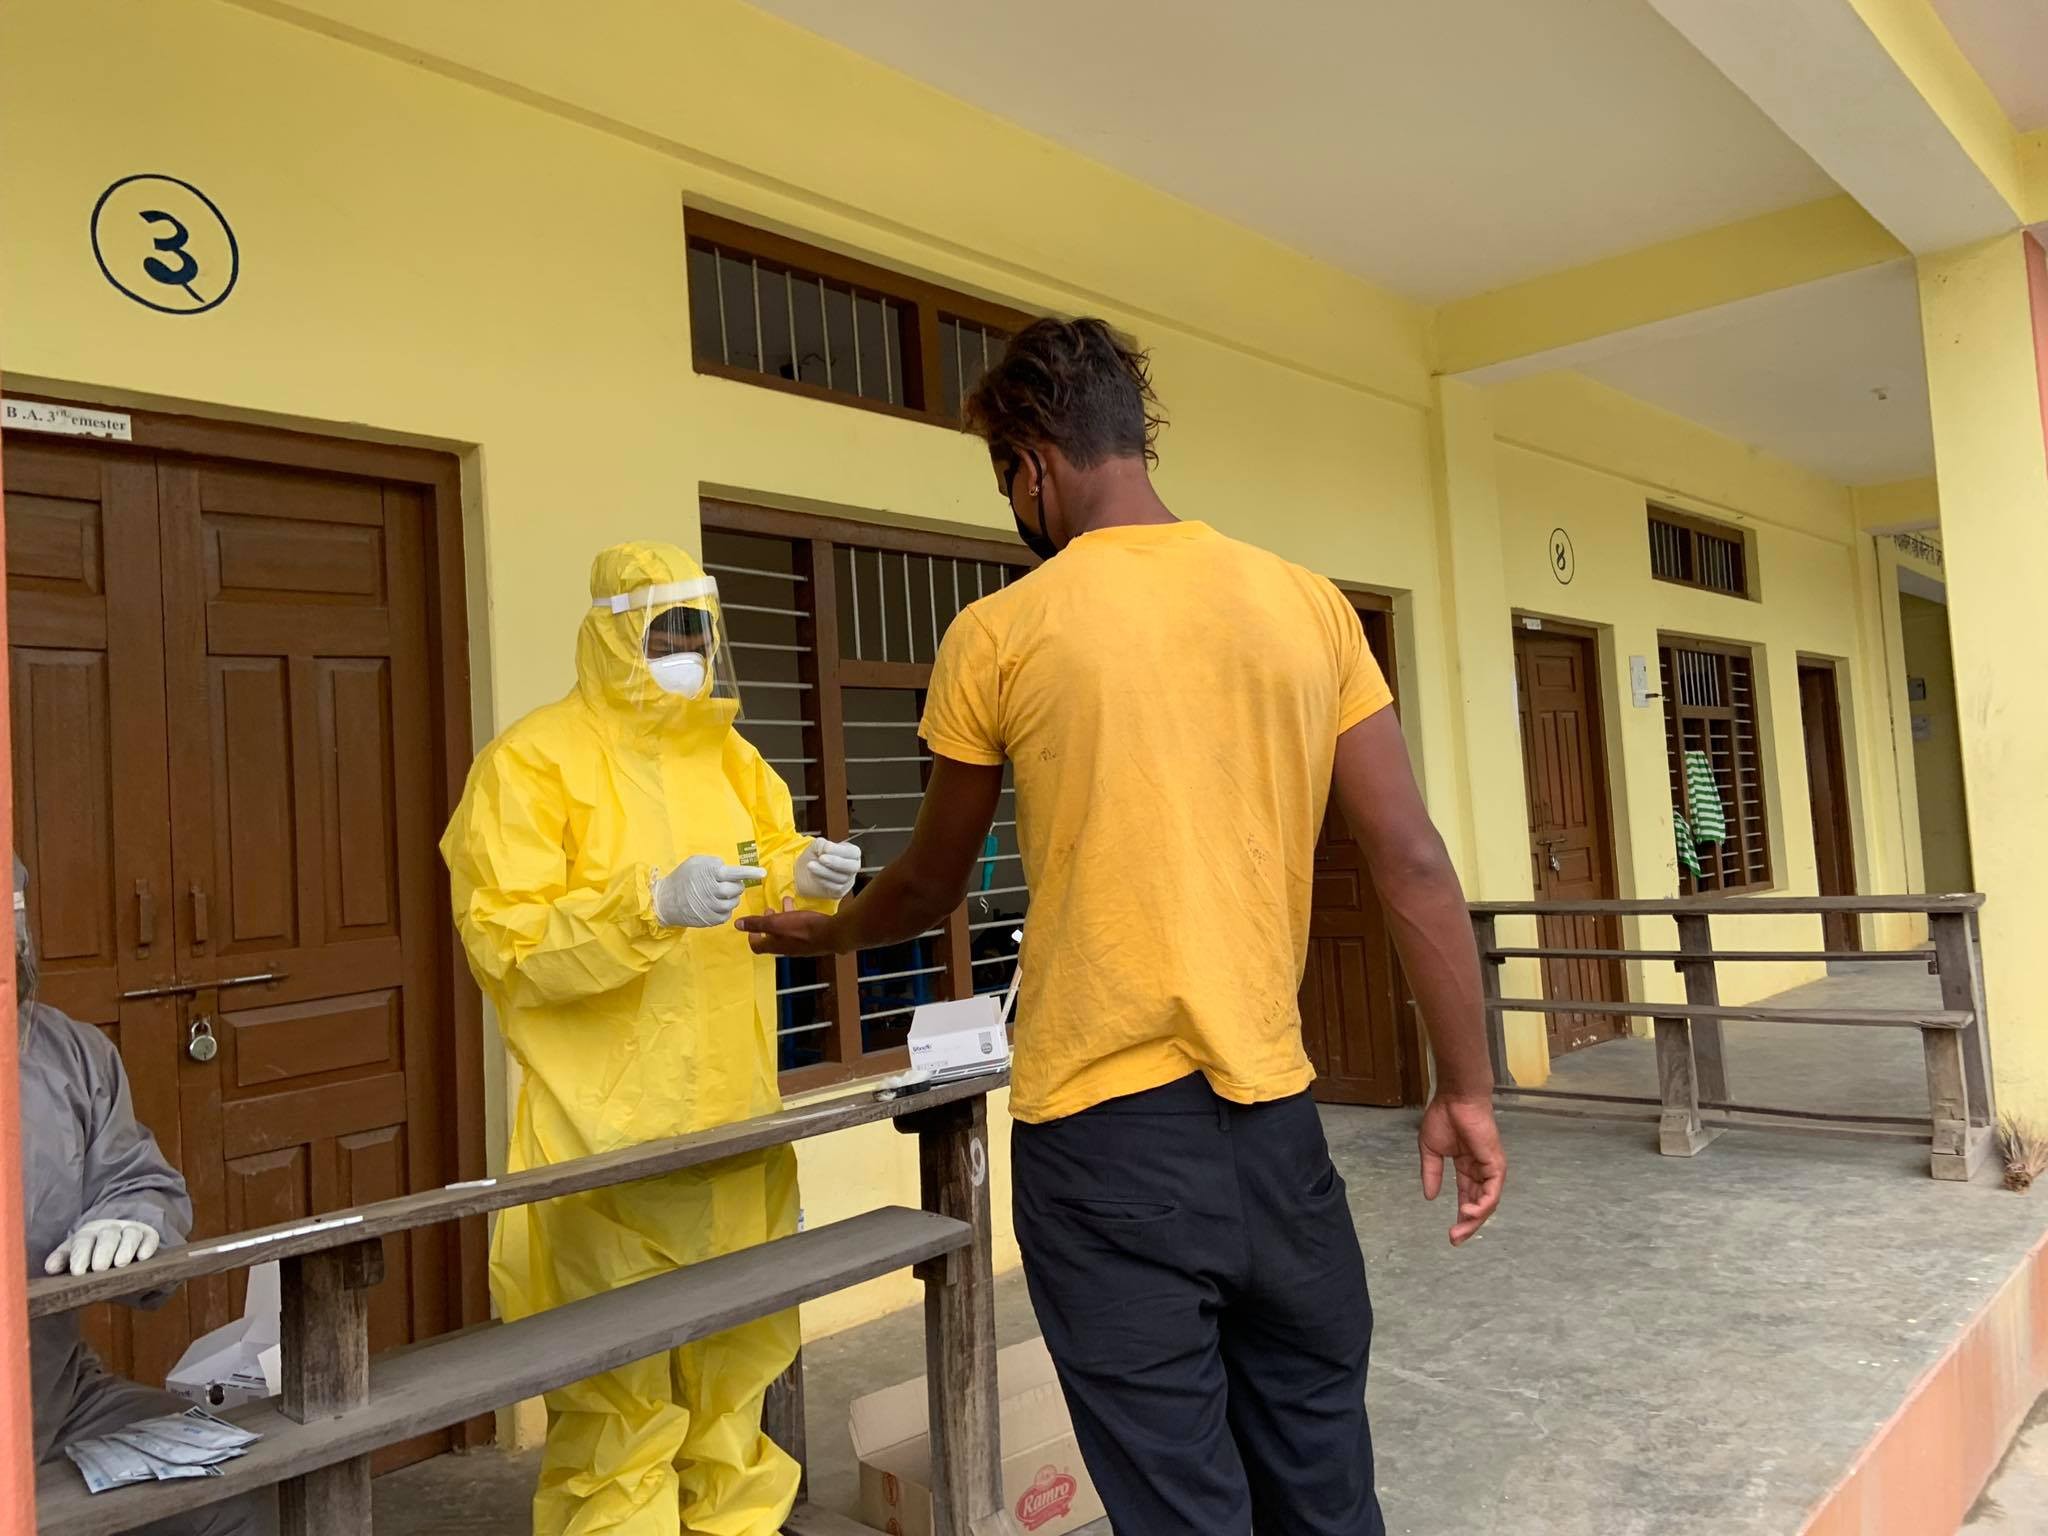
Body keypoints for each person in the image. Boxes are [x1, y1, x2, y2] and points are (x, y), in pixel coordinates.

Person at [741, 318, 1507, 1535]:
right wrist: (1465, 1088)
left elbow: (932, 884)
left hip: (1102, 1147)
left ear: (1032, 467)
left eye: (1008, 483)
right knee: (1322, 1478)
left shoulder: (999, 633)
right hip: (1275, 1133)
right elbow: (1411, 861)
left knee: (1176, 1502)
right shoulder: (1308, 607)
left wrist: (825, 933)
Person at [440, 541, 858, 1536]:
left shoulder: (727, 755)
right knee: (617, 1406)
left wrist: (800, 873)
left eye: (697, 630)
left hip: (731, 1124)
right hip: (606, 1138)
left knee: (733, 1382)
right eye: (666, 630)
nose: (685, 650)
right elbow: (507, 938)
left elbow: (759, 856)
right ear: (614, 629)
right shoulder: (532, 763)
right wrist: (644, 907)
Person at [16, 858, 272, 1535]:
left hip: (58, 1396)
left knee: (231, 1493)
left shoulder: (69, 1053)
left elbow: (139, 1179)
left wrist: (130, 1221)